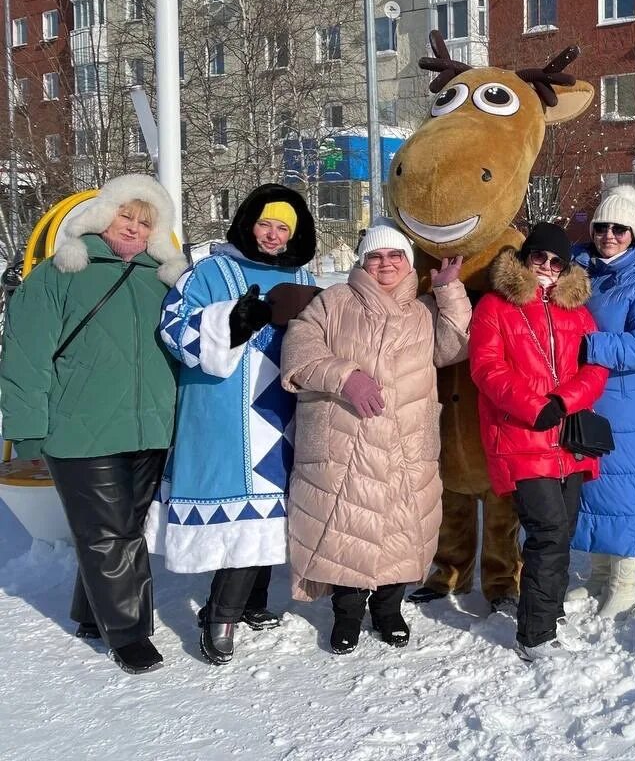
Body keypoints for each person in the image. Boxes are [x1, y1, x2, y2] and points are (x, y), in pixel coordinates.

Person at [1, 175, 186, 674]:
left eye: (146, 221)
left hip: (150, 428)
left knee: (120, 527)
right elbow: (24, 356)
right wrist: (28, 429)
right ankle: (128, 633)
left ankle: (91, 612)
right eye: (127, 216)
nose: (134, 227)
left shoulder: (162, 280)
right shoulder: (61, 273)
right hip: (79, 429)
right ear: (104, 215)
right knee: (110, 533)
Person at [147, 184, 319, 665]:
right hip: (224, 409)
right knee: (244, 505)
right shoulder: (210, 270)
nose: (272, 234)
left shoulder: (300, 274)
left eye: (283, 227)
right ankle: (219, 613)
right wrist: (232, 322)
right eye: (266, 223)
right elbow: (173, 328)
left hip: (281, 406)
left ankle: (252, 600)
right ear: (248, 222)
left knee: (274, 505)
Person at [281, 218, 470, 654]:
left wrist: (449, 291)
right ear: (363, 261)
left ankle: (389, 610)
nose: (385, 263)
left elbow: (455, 347)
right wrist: (345, 377)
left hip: (406, 441)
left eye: (395, 255)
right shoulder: (334, 302)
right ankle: (347, 614)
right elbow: (299, 350)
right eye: (376, 256)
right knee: (346, 531)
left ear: (407, 262)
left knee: (403, 531)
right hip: (346, 441)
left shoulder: (424, 310)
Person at [469, 223, 608, 660]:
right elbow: (487, 368)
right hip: (520, 436)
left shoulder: (578, 312)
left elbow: (595, 367)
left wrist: (563, 401)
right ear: (526, 259)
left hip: (566, 438)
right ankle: (535, 634)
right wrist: (535, 406)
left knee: (561, 531)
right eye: (539, 259)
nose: (547, 268)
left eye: (556, 262)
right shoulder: (495, 306)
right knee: (548, 531)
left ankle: (544, 605)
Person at [568, 186, 635, 617]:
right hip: (585, 399)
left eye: (618, 229)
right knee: (591, 488)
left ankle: (624, 582)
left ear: (633, 234)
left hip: (626, 406)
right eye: (601, 227)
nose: (608, 235)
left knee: (626, 489)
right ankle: (596, 576)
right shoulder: (578, 271)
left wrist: (589, 346)